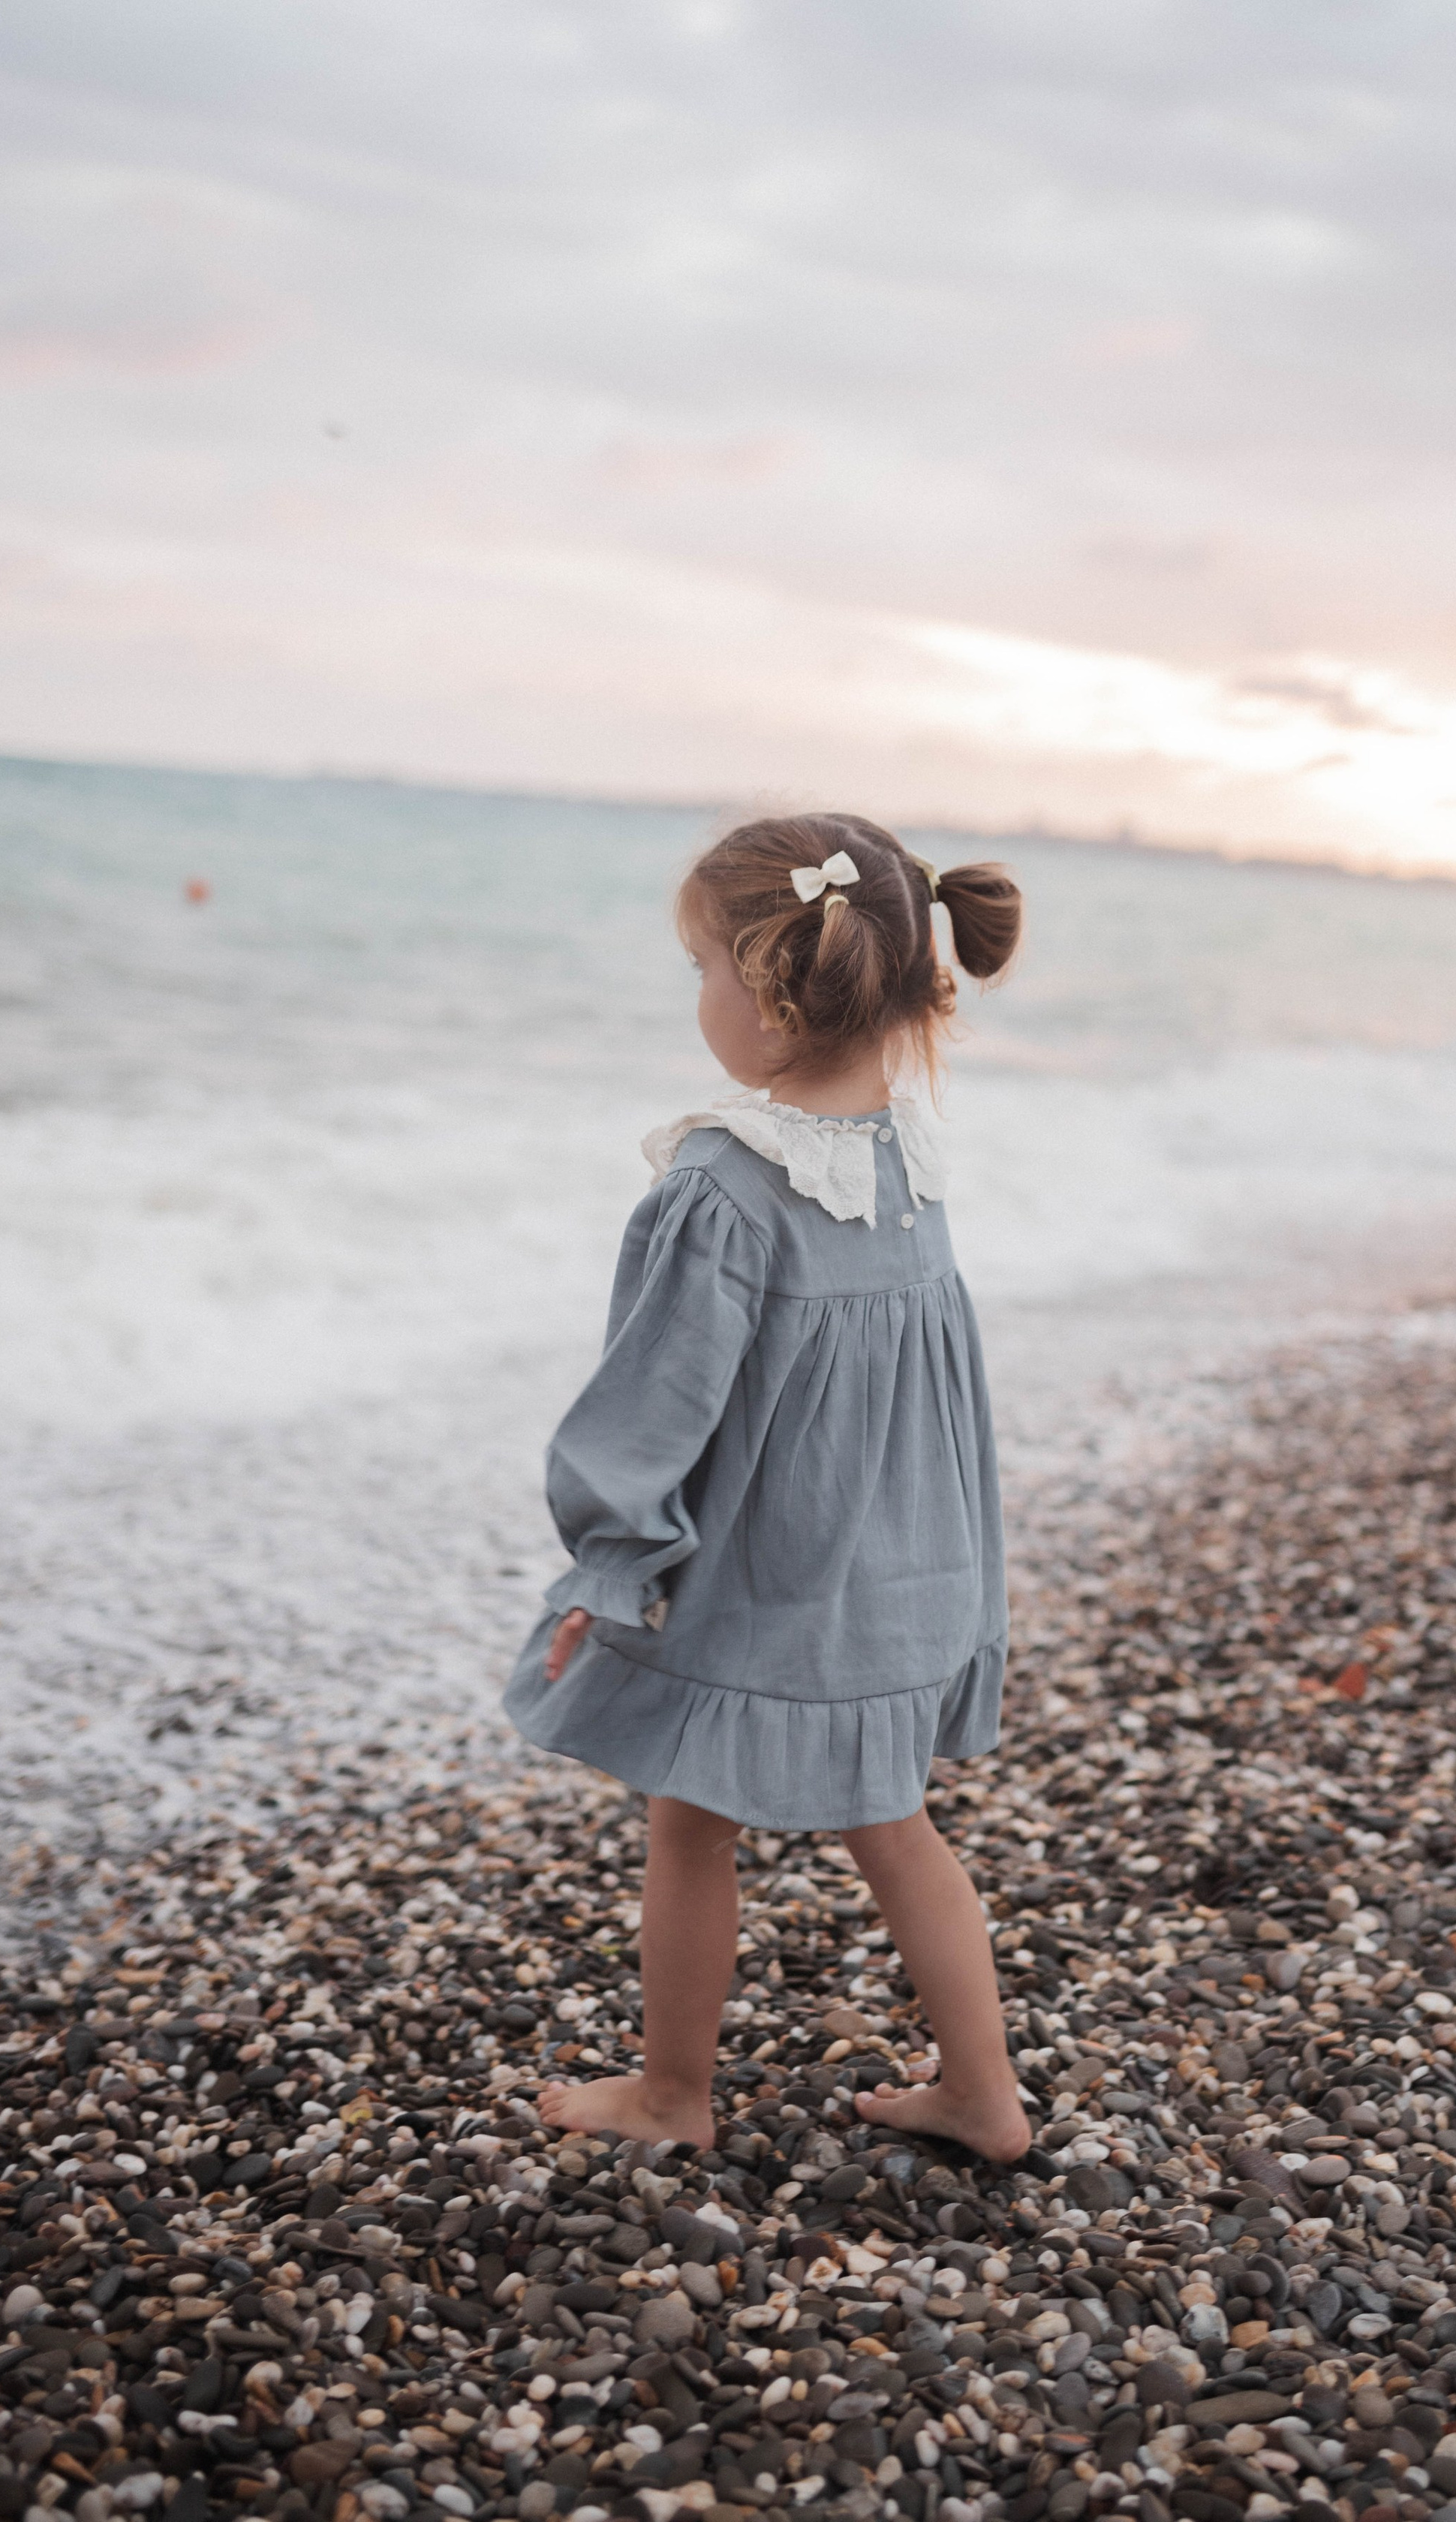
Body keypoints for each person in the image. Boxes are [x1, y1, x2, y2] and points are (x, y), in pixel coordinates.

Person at [503, 811, 1029, 2161]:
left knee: (690, 1823)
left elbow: (654, 1403)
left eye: (702, 973)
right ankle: (986, 2094)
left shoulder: (727, 1187)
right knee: (898, 1829)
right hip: (903, 1571)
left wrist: (611, 1561)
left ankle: (674, 2094)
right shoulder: (913, 1161)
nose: (698, 1002)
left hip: (761, 1576)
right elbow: (939, 1386)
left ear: (775, 991)